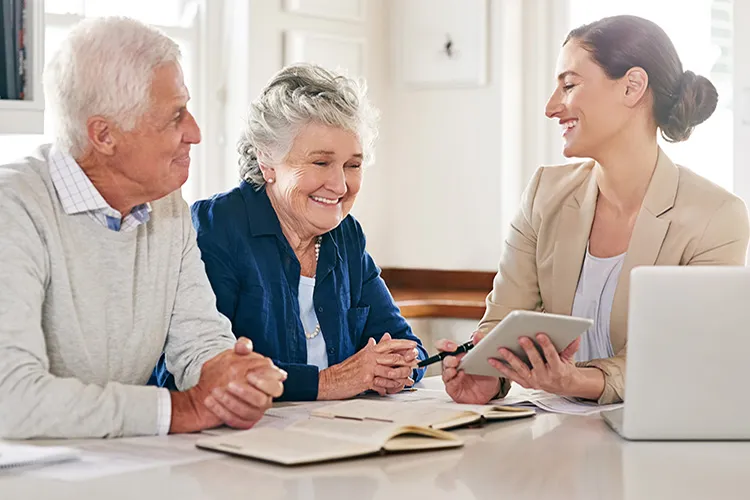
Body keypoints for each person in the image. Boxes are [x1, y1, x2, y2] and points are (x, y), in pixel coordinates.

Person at [439, 15, 750, 405]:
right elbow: (501, 324)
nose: (552, 107)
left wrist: (578, 381)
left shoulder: (716, 217)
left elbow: (683, 360)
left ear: (633, 87)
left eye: (568, 85)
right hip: (554, 437)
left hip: (655, 439)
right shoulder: (544, 194)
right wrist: (489, 374)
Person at [0, 17, 286, 439]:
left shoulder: (167, 206)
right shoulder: (13, 207)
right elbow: (11, 399)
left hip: (113, 465)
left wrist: (232, 378)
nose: (196, 132)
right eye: (175, 117)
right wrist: (180, 409)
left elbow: (200, 342)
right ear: (104, 135)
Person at [152, 64, 428, 401]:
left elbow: (406, 346)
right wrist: (330, 382)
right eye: (321, 163)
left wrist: (398, 368)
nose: (340, 185)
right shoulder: (217, 228)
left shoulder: (346, 235)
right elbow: (196, 372)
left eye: (352, 165)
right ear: (267, 161)